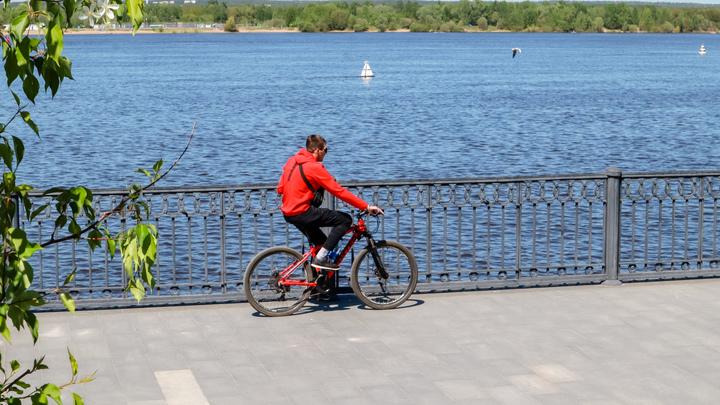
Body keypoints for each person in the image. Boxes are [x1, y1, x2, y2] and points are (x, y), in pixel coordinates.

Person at [277, 134, 383, 272]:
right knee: (345, 220)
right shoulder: (315, 167)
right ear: (317, 150)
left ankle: (317, 288)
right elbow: (339, 191)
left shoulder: (292, 161)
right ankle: (321, 259)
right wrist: (366, 206)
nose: (326, 153)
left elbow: (280, 188)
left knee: (321, 245)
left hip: (288, 212)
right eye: (325, 150)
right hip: (302, 211)